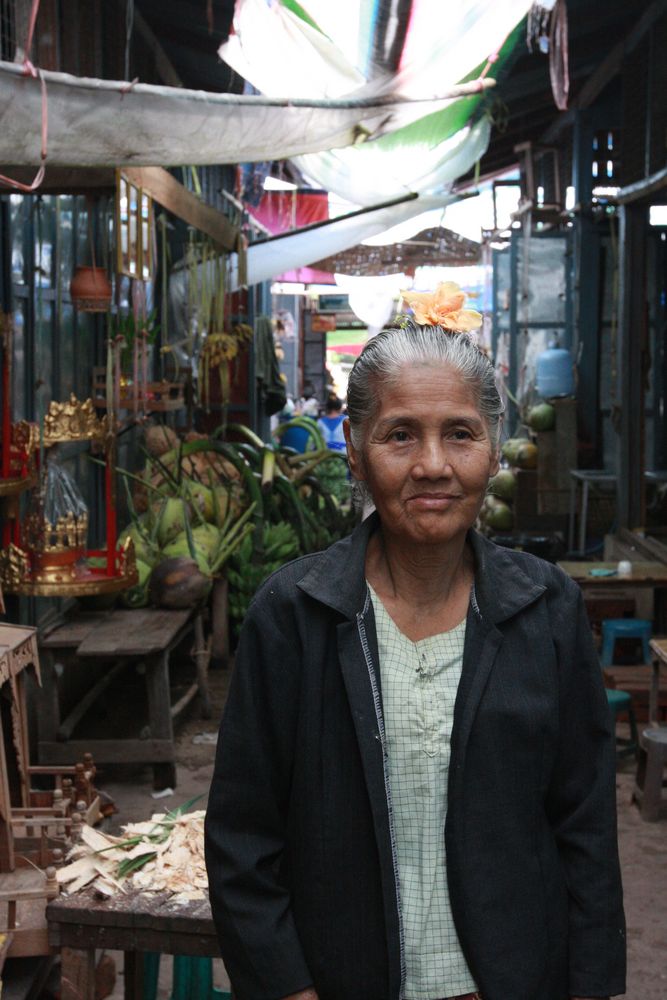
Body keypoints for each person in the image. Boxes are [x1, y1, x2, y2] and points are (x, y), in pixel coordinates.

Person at [205, 282, 626, 1000]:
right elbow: (243, 840)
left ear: (492, 451)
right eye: (400, 434)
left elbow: (583, 828)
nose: (432, 465)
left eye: (459, 433)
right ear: (356, 451)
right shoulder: (293, 615)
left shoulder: (545, 609)